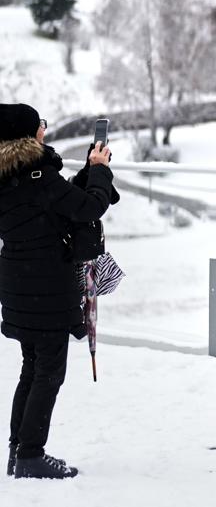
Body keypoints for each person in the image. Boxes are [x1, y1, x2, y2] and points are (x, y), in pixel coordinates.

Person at [0, 104, 116, 480]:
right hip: (46, 288)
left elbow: (58, 202)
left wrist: (87, 172)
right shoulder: (40, 176)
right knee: (48, 372)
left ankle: (18, 450)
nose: (44, 131)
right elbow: (89, 207)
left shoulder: (12, 174)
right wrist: (99, 170)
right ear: (28, 135)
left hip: (19, 286)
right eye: (40, 126)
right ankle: (31, 455)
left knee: (31, 368)